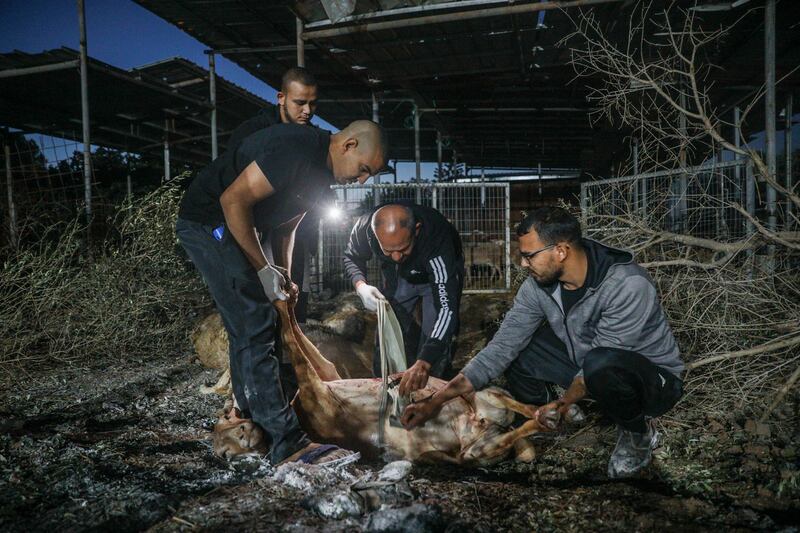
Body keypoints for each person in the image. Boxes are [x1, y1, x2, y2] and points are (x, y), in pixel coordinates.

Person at [401, 206, 684, 478]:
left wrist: (565, 399)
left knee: (600, 364)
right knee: (515, 348)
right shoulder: (537, 287)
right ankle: (549, 412)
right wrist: (434, 402)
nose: (523, 263)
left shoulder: (626, 284)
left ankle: (637, 434)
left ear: (561, 251)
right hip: (587, 364)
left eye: (529, 255)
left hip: (651, 380)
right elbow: (501, 347)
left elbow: (598, 363)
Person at [176, 120, 387, 466]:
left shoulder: (323, 179)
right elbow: (233, 201)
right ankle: (285, 444)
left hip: (239, 223)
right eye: (364, 170)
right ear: (348, 145)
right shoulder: (297, 149)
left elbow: (287, 228)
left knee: (265, 317)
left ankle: (247, 413)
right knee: (253, 318)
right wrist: (262, 268)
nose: (362, 180)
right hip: (209, 218)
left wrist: (283, 277)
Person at [226, 66, 321, 324]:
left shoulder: (310, 136)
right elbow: (233, 187)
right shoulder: (252, 132)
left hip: (289, 226)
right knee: (260, 299)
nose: (308, 111)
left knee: (292, 292)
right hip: (255, 226)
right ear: (281, 98)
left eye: (313, 104)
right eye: (300, 103)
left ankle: (291, 352)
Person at [343, 203, 465, 396]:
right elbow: (352, 257)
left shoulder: (436, 236)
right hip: (400, 277)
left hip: (435, 274)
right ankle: (384, 391)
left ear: (416, 230)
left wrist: (425, 361)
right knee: (389, 329)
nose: (397, 256)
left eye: (403, 248)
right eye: (388, 250)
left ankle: (429, 395)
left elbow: (446, 308)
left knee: (435, 335)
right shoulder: (364, 228)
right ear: (375, 235)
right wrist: (361, 286)